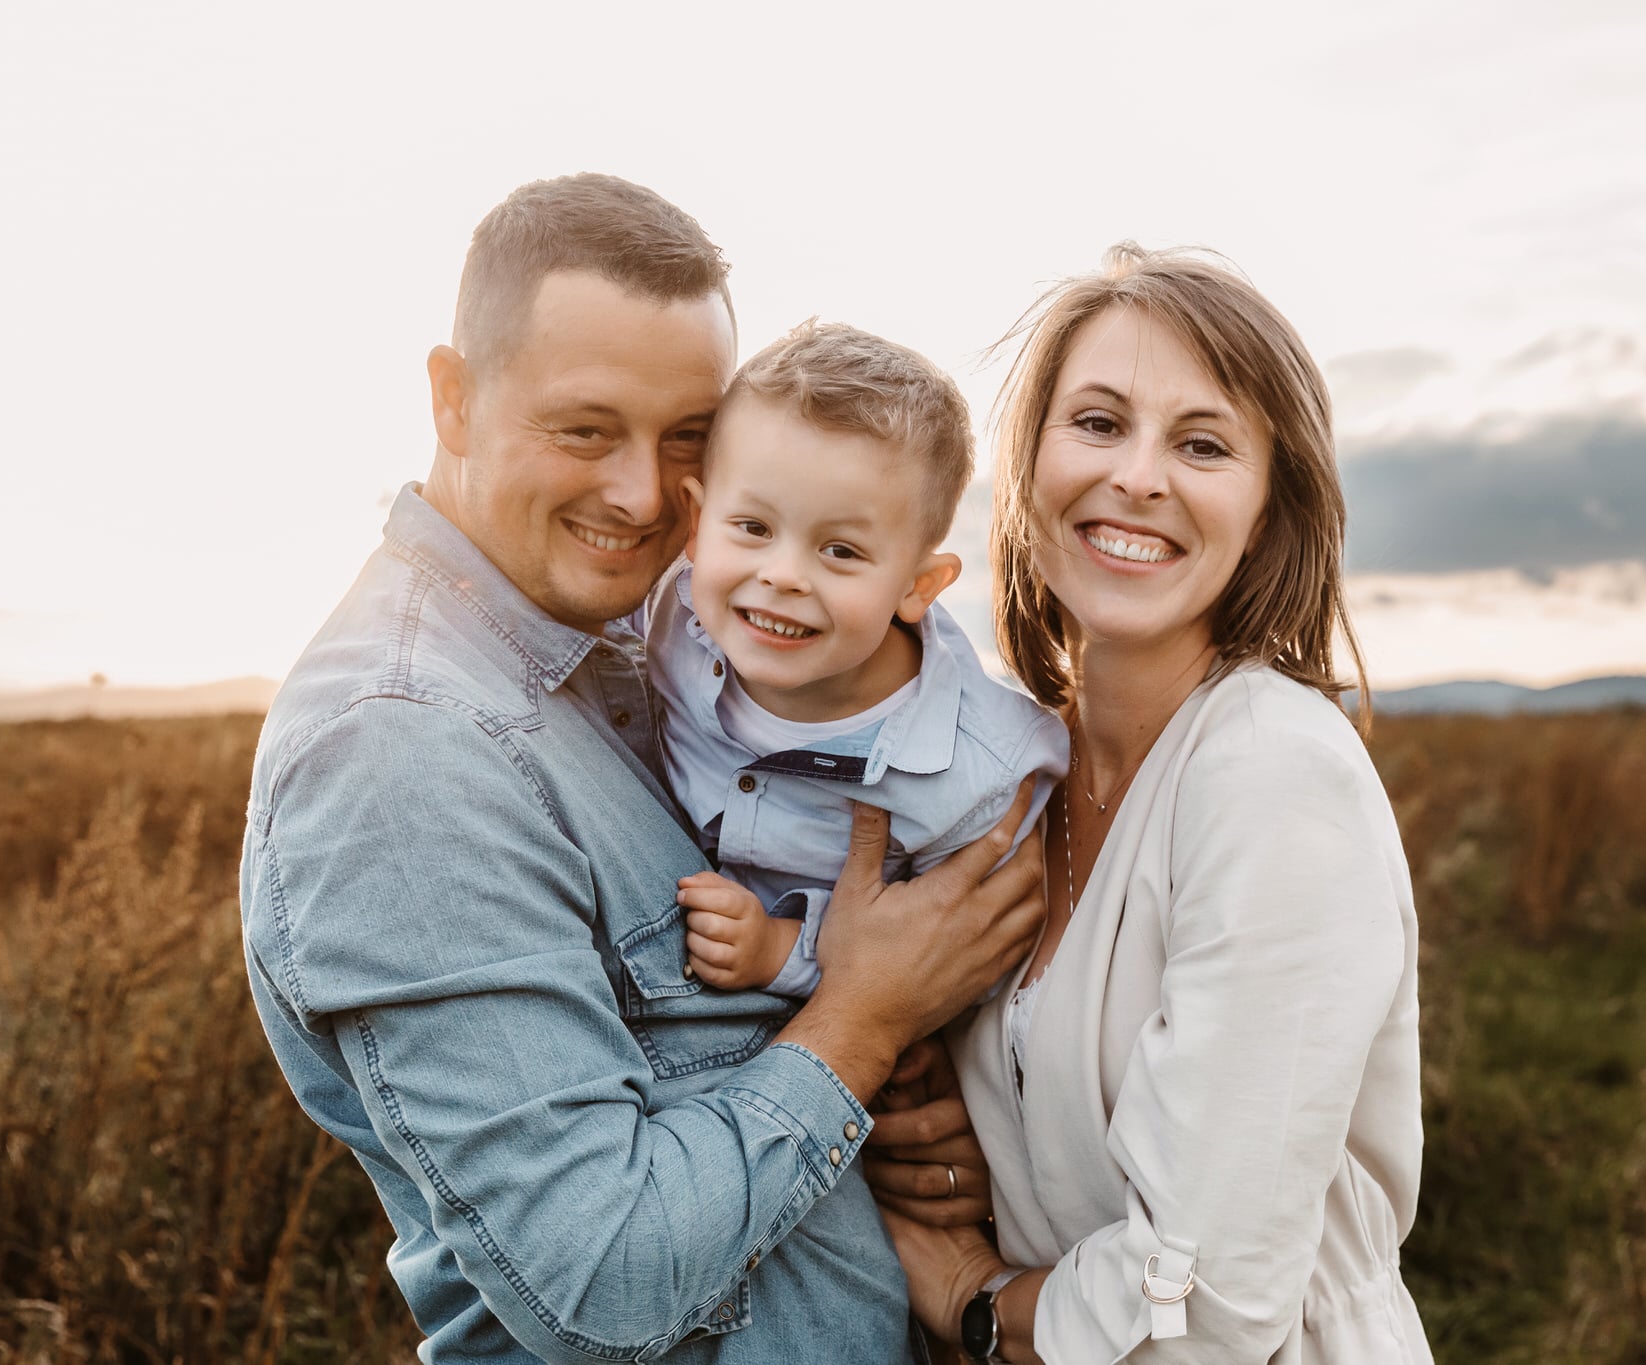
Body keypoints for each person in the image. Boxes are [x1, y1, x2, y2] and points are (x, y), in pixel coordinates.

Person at [238, 173, 1045, 1362]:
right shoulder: (399, 747)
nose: (637, 495)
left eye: (684, 442)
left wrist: (915, 1105)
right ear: (452, 400)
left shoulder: (650, 638)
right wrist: (864, 1022)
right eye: (583, 430)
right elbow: (598, 1279)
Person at [873, 245, 1430, 1364]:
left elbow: (1207, 1317)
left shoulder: (1272, 776)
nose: (1136, 476)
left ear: (1271, 509)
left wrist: (974, 1299)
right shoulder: (1007, 767)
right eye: (1095, 423)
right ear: (1028, 464)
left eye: (1202, 444)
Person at [642, 320, 1067, 996]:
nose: (782, 575)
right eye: (752, 528)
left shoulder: (979, 778)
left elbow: (977, 956)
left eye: (839, 550)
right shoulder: (668, 613)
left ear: (917, 586)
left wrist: (783, 948)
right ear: (696, 525)